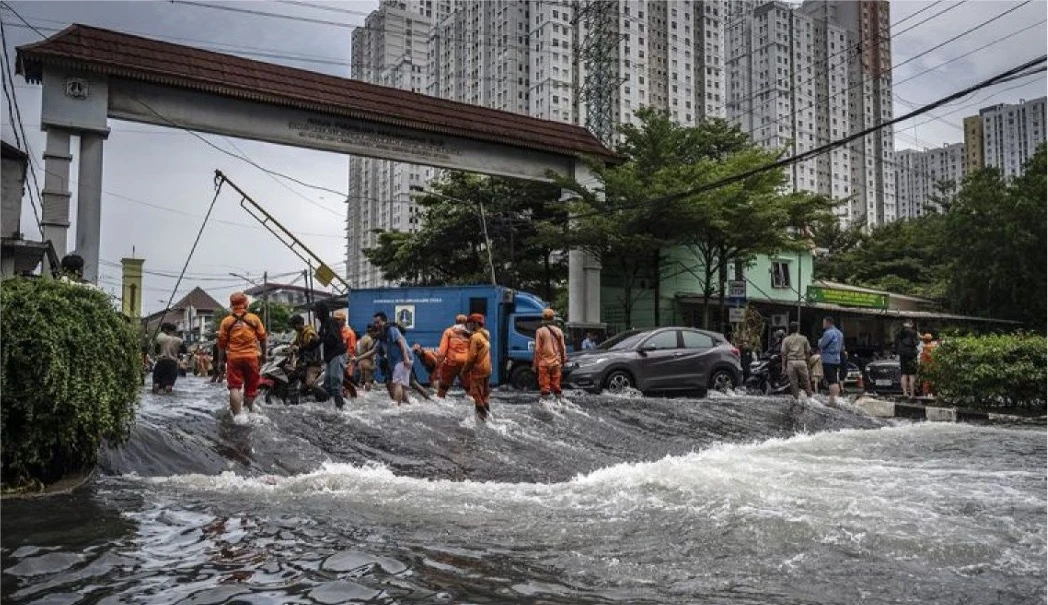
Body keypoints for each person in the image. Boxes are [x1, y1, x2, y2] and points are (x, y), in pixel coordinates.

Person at [217, 292, 267, 416]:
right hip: (251, 357)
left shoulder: (226, 321)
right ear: (246, 304)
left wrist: (220, 361)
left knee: (234, 387)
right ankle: (250, 411)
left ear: (231, 305)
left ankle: (238, 416)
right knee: (251, 387)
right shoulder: (254, 319)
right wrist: (264, 355)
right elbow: (263, 338)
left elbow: (221, 344)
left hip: (234, 358)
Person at [373, 311, 413, 405]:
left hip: (402, 359)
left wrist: (406, 358)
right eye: (375, 322)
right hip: (401, 360)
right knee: (402, 385)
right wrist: (357, 359)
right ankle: (408, 406)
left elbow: (401, 342)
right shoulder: (383, 335)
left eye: (378, 322)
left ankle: (397, 407)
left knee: (397, 383)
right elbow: (373, 350)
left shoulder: (391, 329)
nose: (376, 325)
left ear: (384, 321)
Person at [315, 305, 347, 410]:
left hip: (336, 354)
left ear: (322, 313)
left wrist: (322, 337)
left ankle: (341, 410)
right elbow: (318, 341)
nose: (316, 314)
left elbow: (333, 339)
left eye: (317, 312)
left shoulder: (331, 322)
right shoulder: (323, 325)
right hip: (330, 357)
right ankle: (330, 408)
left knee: (335, 384)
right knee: (327, 385)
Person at [533, 308, 568, 402]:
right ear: (553, 318)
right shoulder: (559, 331)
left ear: (543, 318)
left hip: (544, 364)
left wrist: (534, 364)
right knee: (556, 387)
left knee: (545, 388)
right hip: (556, 363)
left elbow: (537, 349)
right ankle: (559, 404)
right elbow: (562, 348)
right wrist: (563, 361)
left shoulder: (540, 331)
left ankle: (546, 406)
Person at [462, 313, 492, 420]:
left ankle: (484, 420)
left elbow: (471, 357)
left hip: (478, 369)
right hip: (488, 369)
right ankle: (488, 415)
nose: (468, 326)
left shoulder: (475, 337)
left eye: (470, 323)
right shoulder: (486, 335)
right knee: (485, 394)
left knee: (476, 395)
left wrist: (464, 371)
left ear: (475, 324)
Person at [435, 314, 471, 398]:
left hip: (452, 363)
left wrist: (438, 365)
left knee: (443, 387)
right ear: (466, 323)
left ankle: (440, 402)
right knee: (469, 388)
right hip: (466, 363)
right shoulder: (469, 334)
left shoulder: (448, 332)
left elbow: (442, 352)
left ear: (456, 321)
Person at [290, 314, 323, 402]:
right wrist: (290, 347)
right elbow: (295, 343)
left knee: (310, 383)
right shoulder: (300, 334)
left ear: (299, 324)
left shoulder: (309, 333)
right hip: (303, 363)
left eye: (294, 325)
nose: (294, 328)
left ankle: (325, 398)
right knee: (292, 375)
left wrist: (299, 349)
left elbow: (312, 345)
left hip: (313, 363)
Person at [780, 321, 813, 401]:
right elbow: (808, 351)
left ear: (790, 329)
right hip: (802, 361)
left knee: (793, 382)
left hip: (791, 362)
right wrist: (808, 364)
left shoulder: (786, 339)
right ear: (797, 329)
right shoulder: (803, 338)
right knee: (806, 381)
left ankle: (796, 399)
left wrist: (783, 366)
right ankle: (810, 397)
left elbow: (783, 353)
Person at [818, 316, 844, 407]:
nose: (823, 324)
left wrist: (819, 341)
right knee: (835, 379)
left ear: (828, 323)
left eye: (824, 323)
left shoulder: (828, 333)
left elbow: (822, 345)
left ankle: (833, 400)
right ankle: (835, 398)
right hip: (837, 358)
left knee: (831, 380)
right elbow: (841, 347)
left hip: (828, 358)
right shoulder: (840, 333)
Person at [152, 322, 183, 394]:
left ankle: (157, 396)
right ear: (174, 331)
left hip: (161, 361)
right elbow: (184, 350)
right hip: (171, 363)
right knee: (168, 385)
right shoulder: (178, 340)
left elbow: (156, 350)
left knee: (156, 383)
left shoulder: (161, 338)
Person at [334, 310, 358, 399]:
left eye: (338, 319)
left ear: (343, 320)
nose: (336, 321)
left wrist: (346, 361)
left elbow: (351, 348)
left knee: (347, 380)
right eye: (335, 319)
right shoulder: (336, 331)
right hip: (337, 360)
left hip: (347, 361)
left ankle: (352, 398)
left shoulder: (349, 333)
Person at [897, 321, 920, 399]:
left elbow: (898, 340)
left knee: (903, 374)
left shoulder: (901, 332)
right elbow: (916, 343)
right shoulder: (913, 332)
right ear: (911, 325)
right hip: (911, 354)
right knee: (911, 374)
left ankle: (904, 393)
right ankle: (912, 394)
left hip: (902, 353)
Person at [356, 324, 378, 391]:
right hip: (367, 362)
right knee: (368, 381)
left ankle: (360, 396)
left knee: (361, 381)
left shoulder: (363, 338)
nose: (375, 334)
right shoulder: (369, 339)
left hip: (360, 362)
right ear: (372, 332)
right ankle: (367, 396)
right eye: (375, 333)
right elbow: (371, 353)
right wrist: (374, 364)